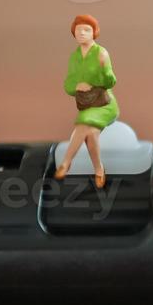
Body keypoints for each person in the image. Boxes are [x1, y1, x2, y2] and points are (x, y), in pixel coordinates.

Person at [55, 14, 117, 189]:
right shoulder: (75, 56)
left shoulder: (101, 52)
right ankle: (99, 170)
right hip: (87, 103)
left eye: (86, 29)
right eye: (78, 29)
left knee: (83, 126)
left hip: (104, 103)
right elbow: (67, 84)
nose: (82, 33)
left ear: (94, 33)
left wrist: (104, 68)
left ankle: (66, 163)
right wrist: (77, 86)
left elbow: (110, 82)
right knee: (90, 135)